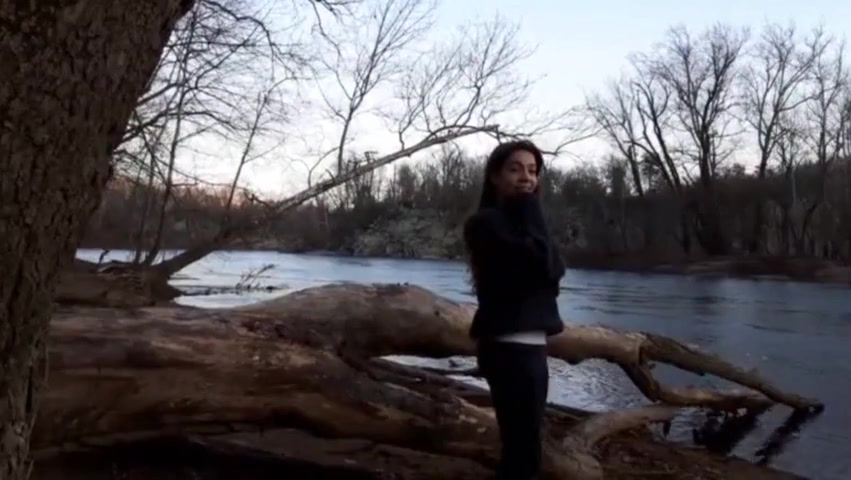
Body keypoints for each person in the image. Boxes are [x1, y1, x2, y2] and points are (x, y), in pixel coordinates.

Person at [463, 140, 565, 480]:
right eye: (515, 169)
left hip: (532, 347)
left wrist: (531, 213)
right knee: (522, 451)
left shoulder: (528, 223)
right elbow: (537, 267)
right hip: (508, 349)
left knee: (526, 448)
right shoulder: (484, 224)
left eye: (533, 171)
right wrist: (531, 208)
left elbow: (553, 270)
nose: (526, 178)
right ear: (495, 176)